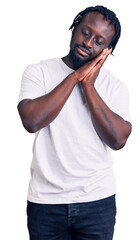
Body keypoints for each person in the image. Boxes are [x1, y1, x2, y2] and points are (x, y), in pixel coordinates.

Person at [18, 5, 132, 240]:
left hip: (97, 202)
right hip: (45, 202)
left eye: (99, 41)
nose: (89, 43)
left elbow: (118, 139)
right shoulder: (38, 72)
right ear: (74, 29)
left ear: (107, 51)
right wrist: (74, 78)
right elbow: (31, 121)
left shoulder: (115, 86)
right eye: (86, 32)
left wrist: (88, 85)